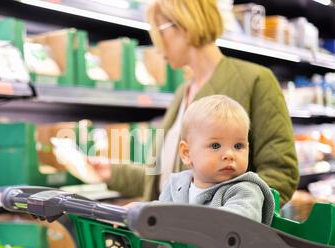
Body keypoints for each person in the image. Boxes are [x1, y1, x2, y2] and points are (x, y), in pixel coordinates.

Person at [88, 0, 298, 207]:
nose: (157, 45)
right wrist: (110, 172)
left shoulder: (256, 80)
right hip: (171, 234)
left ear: (183, 25)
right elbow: (168, 179)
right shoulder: (183, 92)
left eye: (159, 32)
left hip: (215, 237)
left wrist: (223, 217)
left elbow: (280, 175)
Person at [111, 94, 276, 248]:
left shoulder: (245, 190)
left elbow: (237, 222)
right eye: (215, 146)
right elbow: (162, 212)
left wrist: (177, 220)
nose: (229, 154)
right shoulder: (177, 185)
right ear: (187, 152)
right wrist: (143, 211)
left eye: (238, 145)